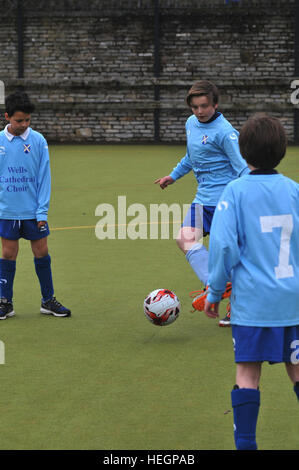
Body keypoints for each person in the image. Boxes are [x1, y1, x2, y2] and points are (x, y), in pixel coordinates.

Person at [204, 114, 299, 450]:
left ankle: (246, 445)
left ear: (243, 153)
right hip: (292, 303)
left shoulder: (236, 191)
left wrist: (214, 292)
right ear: (282, 151)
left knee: (247, 374)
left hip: (254, 306)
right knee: (297, 370)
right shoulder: (293, 190)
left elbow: (223, 246)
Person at [155, 80, 249, 326]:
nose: (199, 111)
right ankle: (214, 283)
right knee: (185, 239)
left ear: (215, 104)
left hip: (224, 202)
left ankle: (236, 309)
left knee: (229, 255)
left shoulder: (226, 132)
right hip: (202, 199)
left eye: (204, 106)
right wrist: (173, 176)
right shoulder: (191, 123)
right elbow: (191, 155)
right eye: (195, 106)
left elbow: (242, 169)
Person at [0, 91, 71, 319]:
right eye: (19, 120)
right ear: (7, 117)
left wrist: (42, 210)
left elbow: (44, 178)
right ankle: (5, 302)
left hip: (33, 212)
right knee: (8, 254)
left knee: (42, 252)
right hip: (7, 211)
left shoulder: (38, 141)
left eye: (28, 120)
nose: (24, 124)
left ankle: (48, 300)